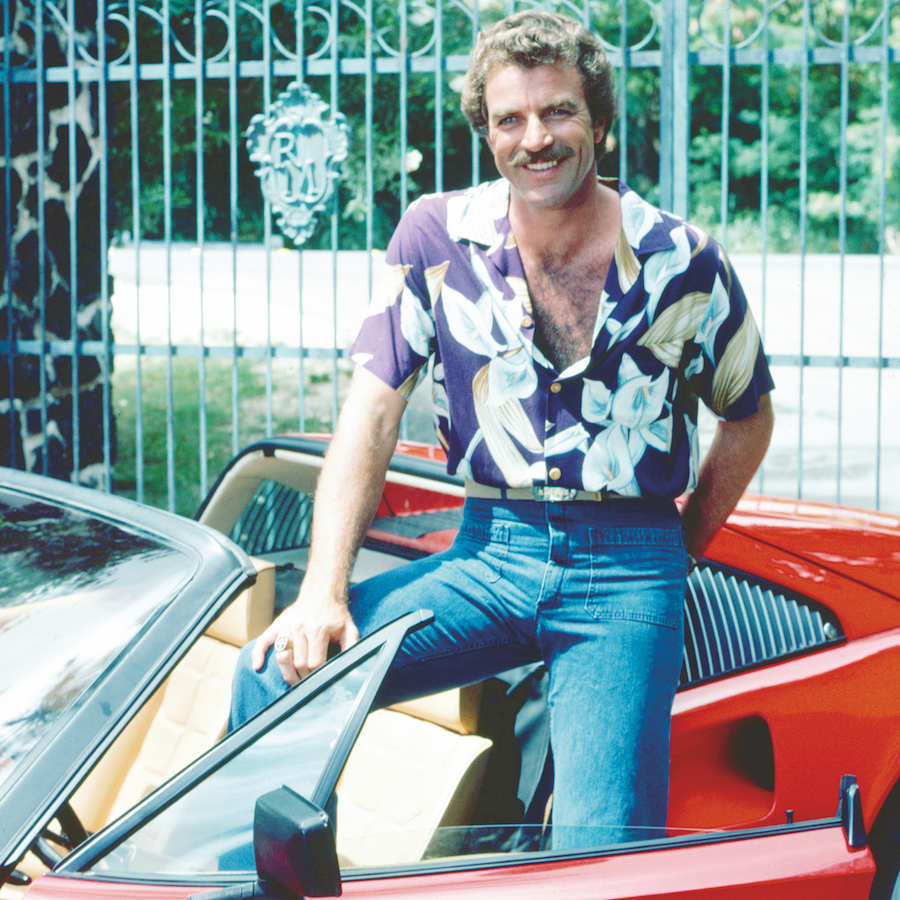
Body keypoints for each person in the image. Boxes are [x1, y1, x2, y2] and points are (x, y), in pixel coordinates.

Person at [230, 9, 774, 850]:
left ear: (598, 120)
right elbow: (370, 413)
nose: (536, 138)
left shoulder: (682, 260)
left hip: (627, 573)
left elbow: (749, 414)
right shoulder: (435, 237)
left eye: (558, 111)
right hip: (491, 554)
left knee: (600, 856)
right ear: (485, 130)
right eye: (510, 118)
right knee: (275, 674)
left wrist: (678, 549)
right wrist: (321, 592)